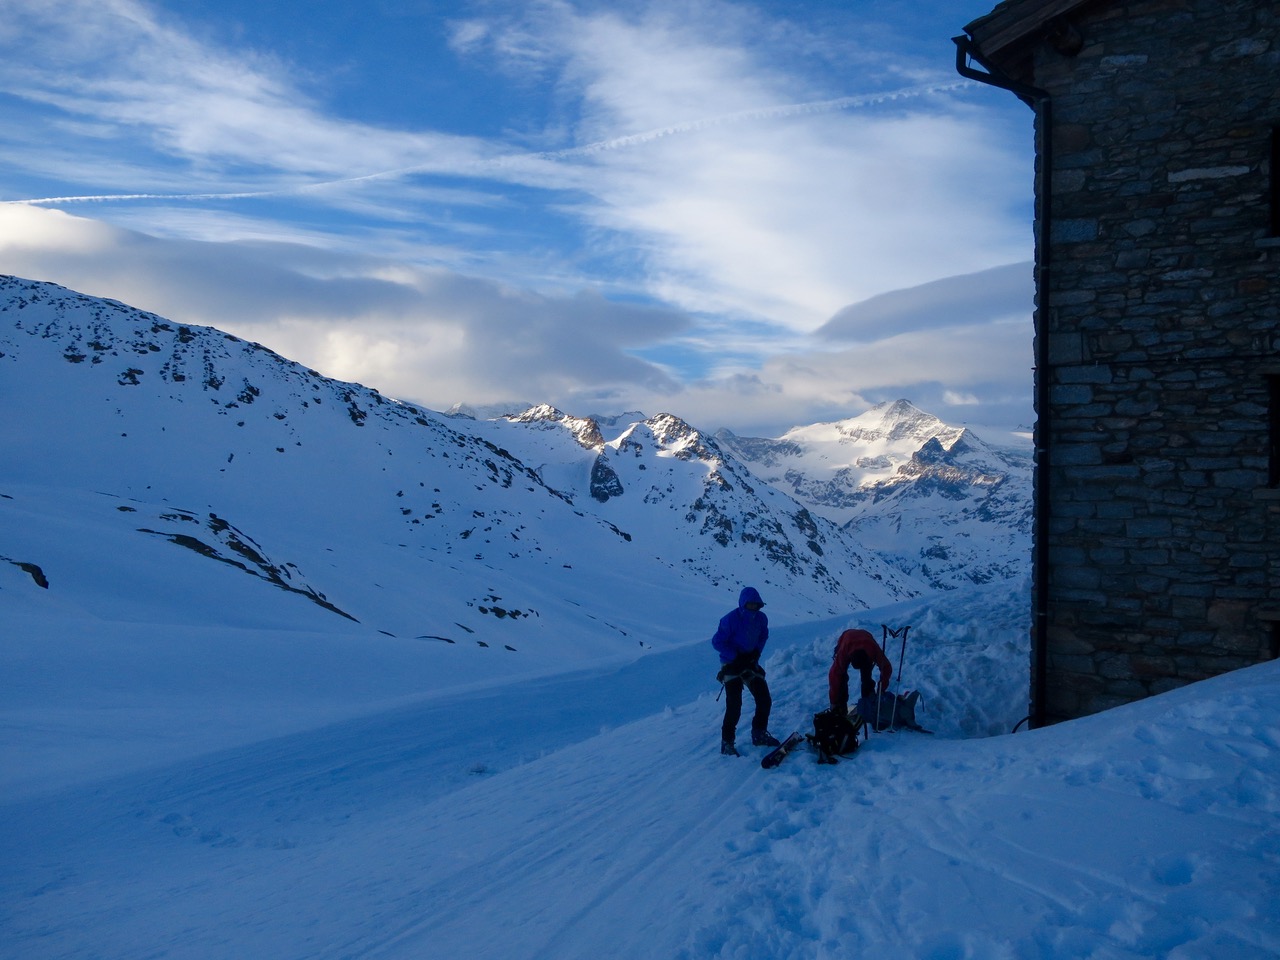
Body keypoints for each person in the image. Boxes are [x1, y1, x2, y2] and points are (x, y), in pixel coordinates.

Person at [712, 586, 779, 755]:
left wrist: (756, 652)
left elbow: (763, 636)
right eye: (750, 605)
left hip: (749, 662)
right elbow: (717, 642)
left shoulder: (761, 619)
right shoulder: (729, 620)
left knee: (764, 698)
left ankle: (759, 733)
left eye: (756, 605)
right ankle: (727, 742)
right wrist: (735, 656)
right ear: (743, 603)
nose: (754, 608)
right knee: (734, 704)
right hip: (731, 664)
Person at [828, 628, 892, 715]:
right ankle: (840, 706)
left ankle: (868, 702)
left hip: (867, 639)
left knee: (866, 678)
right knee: (841, 676)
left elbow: (886, 667)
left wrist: (882, 689)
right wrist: (834, 701)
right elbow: (834, 676)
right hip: (846, 638)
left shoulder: (873, 650)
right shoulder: (843, 652)